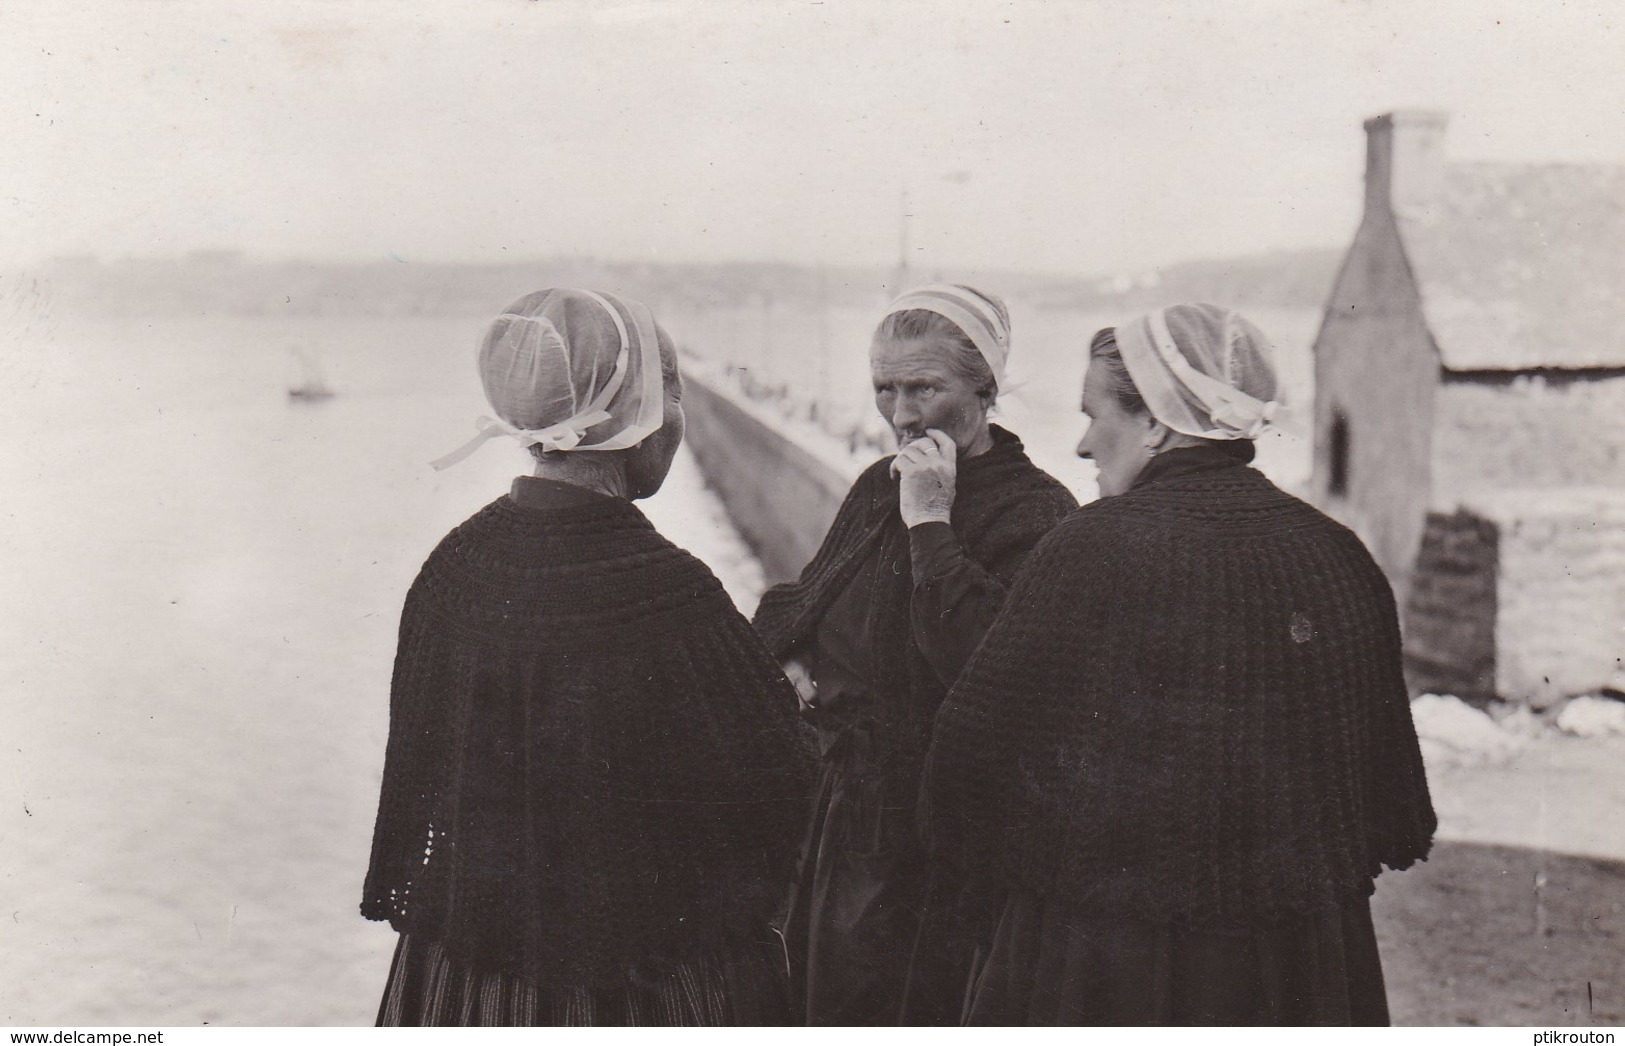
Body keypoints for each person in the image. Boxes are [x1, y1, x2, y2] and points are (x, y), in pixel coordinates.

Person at [920, 303, 1438, 1026]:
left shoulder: (1091, 547)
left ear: (1157, 422)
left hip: (1116, 955)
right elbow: (1378, 781)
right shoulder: (1337, 554)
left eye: (1093, 414)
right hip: (1300, 961)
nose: (1079, 445)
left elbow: (974, 749)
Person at [360, 288, 818, 1026]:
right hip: (638, 987)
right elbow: (781, 797)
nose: (679, 411)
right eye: (667, 387)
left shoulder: (450, 571)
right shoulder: (669, 593)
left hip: (466, 981)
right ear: (631, 415)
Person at [751, 284, 1077, 1025]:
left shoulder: (1036, 511)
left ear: (985, 388)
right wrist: (798, 664)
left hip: (944, 839)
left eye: (924, 388)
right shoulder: (877, 485)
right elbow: (802, 600)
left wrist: (931, 519)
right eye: (884, 390)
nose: (901, 415)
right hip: (846, 815)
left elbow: (990, 666)